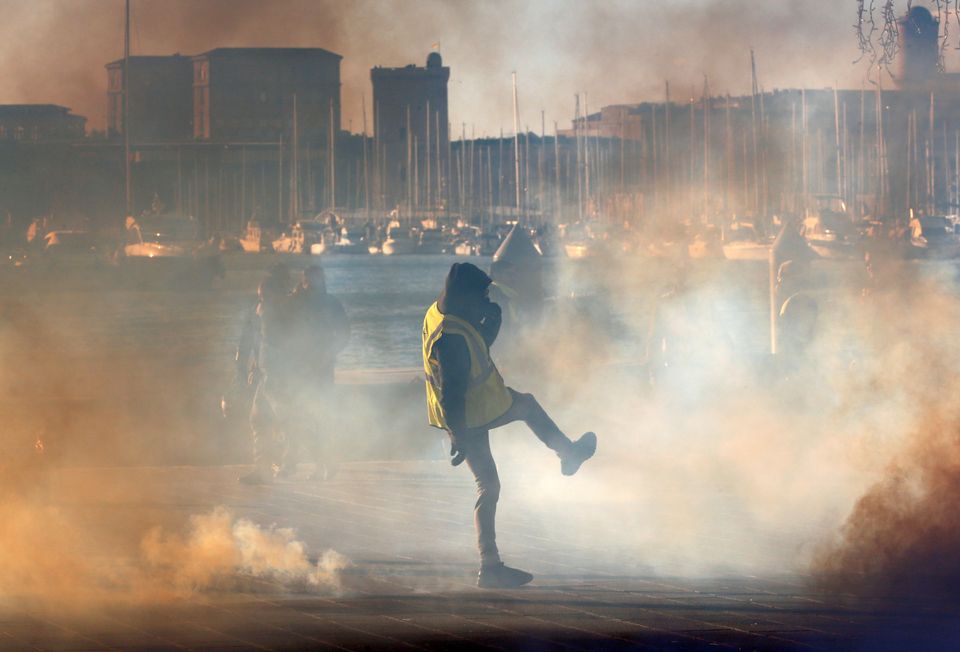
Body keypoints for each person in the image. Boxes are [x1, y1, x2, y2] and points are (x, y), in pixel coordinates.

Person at [421, 262, 597, 589]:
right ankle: (568, 455)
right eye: (481, 295)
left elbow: (477, 347)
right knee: (526, 407)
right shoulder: (452, 340)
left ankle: (489, 566)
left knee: (489, 486)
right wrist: (457, 435)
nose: (485, 299)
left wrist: (491, 324)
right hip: (473, 411)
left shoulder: (441, 313)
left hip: (467, 412)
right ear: (466, 297)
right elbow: (453, 389)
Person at [285, 264, 349, 480]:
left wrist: (329, 353)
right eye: (308, 278)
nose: (311, 282)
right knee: (295, 414)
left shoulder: (330, 303)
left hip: (321, 366)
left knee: (321, 415)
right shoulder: (294, 301)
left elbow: (343, 333)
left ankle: (324, 463)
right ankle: (291, 461)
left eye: (316, 278)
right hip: (298, 366)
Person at [239, 270, 296, 485]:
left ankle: (289, 462)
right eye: (259, 296)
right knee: (259, 419)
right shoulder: (265, 311)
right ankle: (262, 468)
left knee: (286, 419)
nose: (260, 300)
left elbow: (279, 344)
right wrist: (256, 366)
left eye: (264, 295)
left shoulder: (281, 312)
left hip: (280, 375)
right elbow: (261, 343)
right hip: (267, 374)